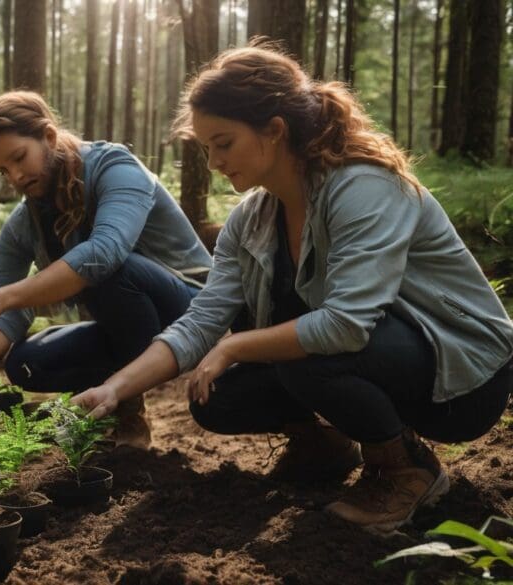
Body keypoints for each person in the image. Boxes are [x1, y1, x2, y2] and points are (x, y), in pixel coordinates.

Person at [72, 44, 513, 533]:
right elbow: (201, 321)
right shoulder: (251, 218)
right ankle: (324, 448)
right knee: (216, 397)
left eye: (224, 143)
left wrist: (237, 345)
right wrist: (114, 388)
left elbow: (345, 325)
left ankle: (407, 469)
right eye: (205, 148)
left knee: (299, 352)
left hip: (465, 378)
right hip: (380, 355)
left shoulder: (361, 187)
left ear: (275, 130)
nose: (214, 161)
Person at [0, 91, 212, 448]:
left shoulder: (116, 168)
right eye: (3, 170)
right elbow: (5, 318)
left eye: (19, 158)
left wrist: (2, 297)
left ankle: (126, 410)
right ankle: (112, 402)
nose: (15, 176)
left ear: (49, 136)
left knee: (107, 272)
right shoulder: (25, 223)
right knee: (26, 363)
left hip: (190, 310)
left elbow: (105, 253)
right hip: (128, 324)